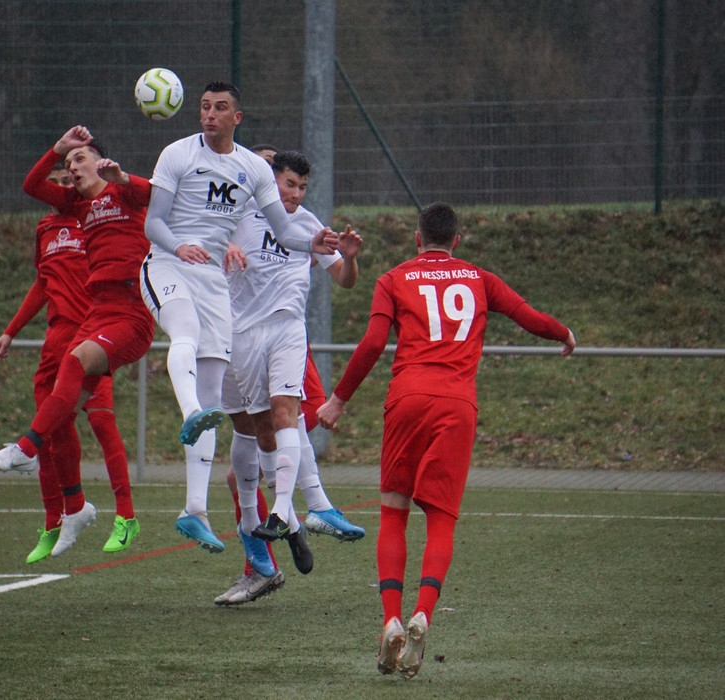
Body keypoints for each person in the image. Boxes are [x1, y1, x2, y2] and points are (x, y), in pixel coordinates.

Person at [316, 201, 576, 679]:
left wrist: (338, 399)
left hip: (407, 399)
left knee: (393, 511)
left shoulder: (394, 278)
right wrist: (563, 333)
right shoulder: (479, 278)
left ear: (417, 238)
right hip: (457, 406)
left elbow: (374, 343)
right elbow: (528, 316)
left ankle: (390, 619)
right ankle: (423, 614)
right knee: (440, 520)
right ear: (456, 240)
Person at [141, 82, 339, 553]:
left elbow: (286, 230)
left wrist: (317, 244)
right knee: (186, 337)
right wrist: (178, 245)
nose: (210, 114)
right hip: (168, 265)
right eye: (205, 107)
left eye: (220, 108)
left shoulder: (252, 167)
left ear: (237, 118)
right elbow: (153, 222)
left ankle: (195, 511)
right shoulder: (176, 153)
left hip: (211, 281)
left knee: (215, 396)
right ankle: (192, 413)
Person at [0, 126, 153, 559]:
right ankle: (68, 508)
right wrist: (56, 147)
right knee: (59, 411)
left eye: (79, 160)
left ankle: (28, 453)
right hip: (91, 318)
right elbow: (31, 185)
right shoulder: (70, 209)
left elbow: (153, 193)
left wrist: (124, 177)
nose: (71, 169)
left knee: (97, 416)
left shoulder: (123, 194)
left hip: (127, 314)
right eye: (67, 164)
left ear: (100, 160)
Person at [214, 148, 366, 605]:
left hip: (286, 330)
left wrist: (351, 258)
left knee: (286, 413)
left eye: (302, 187)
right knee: (254, 434)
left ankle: (301, 508)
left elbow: (344, 278)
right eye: (289, 185)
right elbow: (194, 236)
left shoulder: (306, 223)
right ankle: (286, 527)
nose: (296, 194)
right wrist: (224, 244)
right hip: (235, 334)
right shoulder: (238, 212)